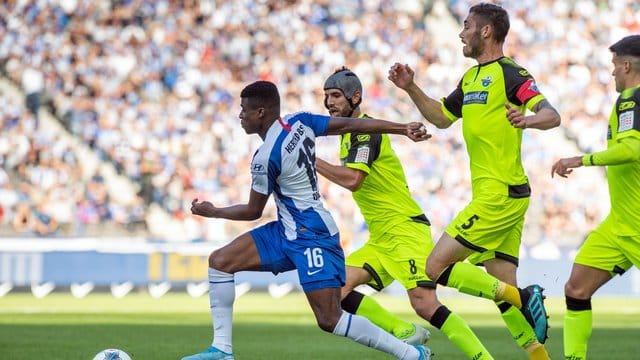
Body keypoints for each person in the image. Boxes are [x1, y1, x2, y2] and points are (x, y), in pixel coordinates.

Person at [181, 80, 432, 360]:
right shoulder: (300, 122)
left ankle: (410, 354)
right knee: (220, 262)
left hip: (312, 235)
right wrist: (401, 128)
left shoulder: (266, 157)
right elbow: (351, 125)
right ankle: (222, 350)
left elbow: (252, 211)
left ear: (261, 112)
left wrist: (214, 212)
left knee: (330, 318)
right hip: (285, 230)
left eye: (244, 110)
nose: (240, 115)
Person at [388, 3, 561, 360]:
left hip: (499, 197)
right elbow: (441, 117)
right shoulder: (469, 79)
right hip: (503, 195)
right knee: (503, 293)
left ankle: (527, 297)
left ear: (486, 31)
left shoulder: (512, 74)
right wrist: (410, 88)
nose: (460, 32)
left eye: (466, 26)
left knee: (434, 267)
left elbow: (551, 114)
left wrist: (527, 121)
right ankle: (538, 353)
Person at [316, 67, 493, 359]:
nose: (329, 102)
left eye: (335, 95)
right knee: (337, 287)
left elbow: (353, 180)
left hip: (402, 229)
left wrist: (311, 160)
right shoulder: (349, 134)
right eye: (326, 96)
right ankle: (403, 332)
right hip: (382, 236)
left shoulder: (363, 132)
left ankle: (488, 347)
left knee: (424, 302)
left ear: (355, 97)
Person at [551, 34, 640, 360]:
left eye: (615, 66)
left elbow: (631, 149)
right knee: (576, 289)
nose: (612, 72)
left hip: (637, 223)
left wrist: (581, 159)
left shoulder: (632, 99)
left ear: (627, 65)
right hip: (619, 223)